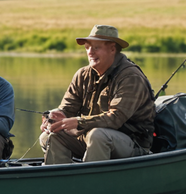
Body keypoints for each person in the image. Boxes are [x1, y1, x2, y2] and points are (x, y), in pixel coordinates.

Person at [39, 25, 156, 165]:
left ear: (112, 49)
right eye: (87, 48)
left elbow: (115, 118)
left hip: (132, 142)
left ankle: (90, 183)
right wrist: (54, 117)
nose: (90, 52)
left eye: (96, 48)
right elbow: (67, 108)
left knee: (98, 135)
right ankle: (59, 181)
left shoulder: (131, 77)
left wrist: (78, 122)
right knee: (50, 135)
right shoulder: (82, 74)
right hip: (91, 136)